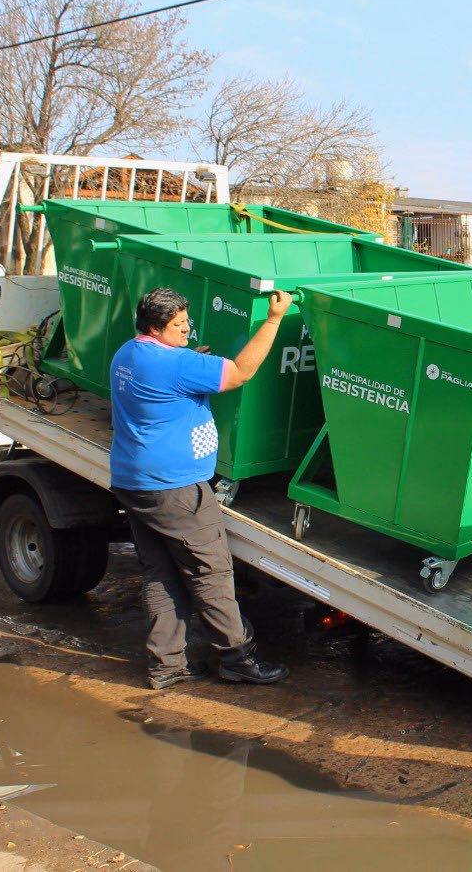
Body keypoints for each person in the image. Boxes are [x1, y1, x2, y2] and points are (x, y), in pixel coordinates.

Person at [110, 287, 292, 691]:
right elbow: (241, 373)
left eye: (187, 321)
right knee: (211, 573)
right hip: (174, 490)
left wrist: (187, 357)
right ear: (155, 328)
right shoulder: (175, 364)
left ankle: (166, 665)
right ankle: (237, 659)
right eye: (178, 326)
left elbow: (171, 371)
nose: (187, 330)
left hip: (133, 481)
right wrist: (275, 319)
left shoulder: (128, 353)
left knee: (161, 574)